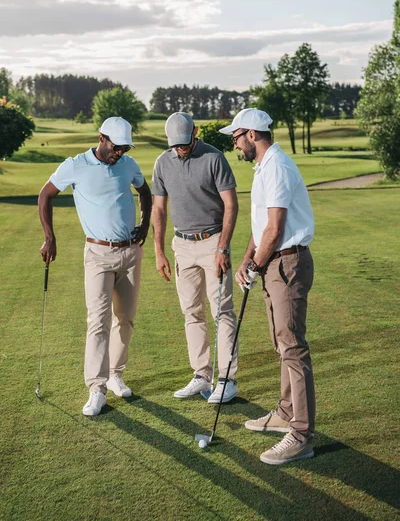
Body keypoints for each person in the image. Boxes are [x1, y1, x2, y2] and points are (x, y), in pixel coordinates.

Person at [38, 116, 152, 417]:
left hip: (130, 253)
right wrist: (49, 238)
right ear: (102, 138)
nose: (121, 153)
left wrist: (145, 224)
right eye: (117, 146)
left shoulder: (128, 165)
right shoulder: (76, 165)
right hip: (98, 255)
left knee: (125, 319)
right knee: (98, 320)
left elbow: (145, 192)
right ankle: (97, 388)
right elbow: (45, 195)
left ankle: (115, 374)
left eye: (125, 147)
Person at [220, 108, 315, 464]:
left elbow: (275, 228)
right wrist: (248, 260)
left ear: (253, 134)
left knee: (293, 347)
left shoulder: (276, 166)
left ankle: (302, 435)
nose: (235, 143)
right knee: (282, 343)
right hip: (275, 261)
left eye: (236, 136)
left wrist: (256, 266)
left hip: (287, 263)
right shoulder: (264, 167)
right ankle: (287, 413)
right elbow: (261, 229)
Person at [152, 112, 239, 403]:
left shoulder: (214, 159)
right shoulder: (163, 162)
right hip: (182, 245)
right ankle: (202, 376)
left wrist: (223, 247)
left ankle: (227, 379)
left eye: (185, 142)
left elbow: (231, 204)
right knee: (192, 312)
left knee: (221, 312)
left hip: (213, 241)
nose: (181, 148)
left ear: (195, 132)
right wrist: (159, 250)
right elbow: (160, 210)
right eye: (176, 144)